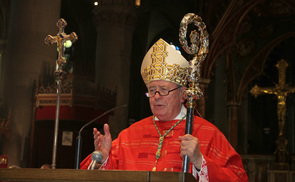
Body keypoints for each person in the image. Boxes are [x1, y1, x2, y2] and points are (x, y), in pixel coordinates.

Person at [80, 38, 248, 181]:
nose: (157, 96)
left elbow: (237, 177)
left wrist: (199, 161)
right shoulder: (129, 136)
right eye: (152, 90)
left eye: (164, 90)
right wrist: (102, 158)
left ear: (183, 94)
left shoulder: (207, 134)